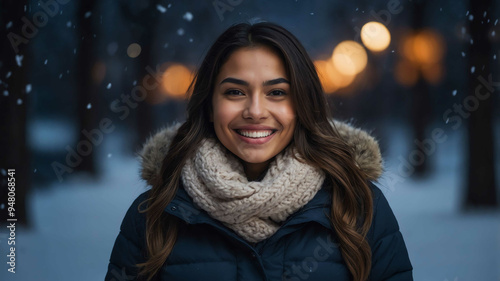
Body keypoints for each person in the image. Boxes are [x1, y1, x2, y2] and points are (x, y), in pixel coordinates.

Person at [105, 22, 413, 281]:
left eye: (277, 92)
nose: (255, 111)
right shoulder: (155, 212)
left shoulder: (358, 205)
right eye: (235, 92)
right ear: (210, 106)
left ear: (302, 105)